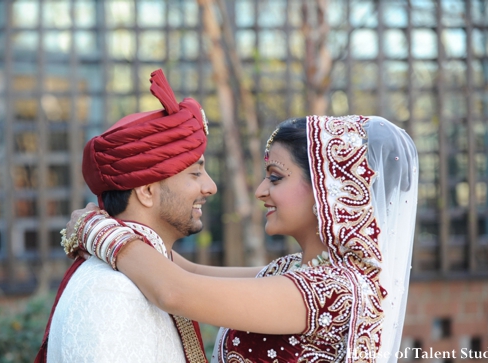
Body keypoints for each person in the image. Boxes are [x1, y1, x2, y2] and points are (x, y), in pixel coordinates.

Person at [66, 115, 418, 362]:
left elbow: (175, 291)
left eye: (276, 178)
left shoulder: (333, 291)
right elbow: (183, 270)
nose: (261, 191)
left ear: (326, 191)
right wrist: (120, 217)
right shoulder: (297, 271)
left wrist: (96, 231)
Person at [36, 69, 261, 363]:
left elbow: (185, 276)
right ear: (146, 191)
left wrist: (96, 230)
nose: (211, 186)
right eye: (195, 172)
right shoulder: (111, 290)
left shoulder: (146, 270)